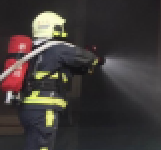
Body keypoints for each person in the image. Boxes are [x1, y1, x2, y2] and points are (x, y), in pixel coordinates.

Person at [19, 11, 103, 150]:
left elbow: (64, 68)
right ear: (55, 28)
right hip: (44, 108)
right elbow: (86, 58)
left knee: (34, 145)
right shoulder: (58, 48)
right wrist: (95, 58)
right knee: (42, 147)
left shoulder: (32, 50)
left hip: (28, 109)